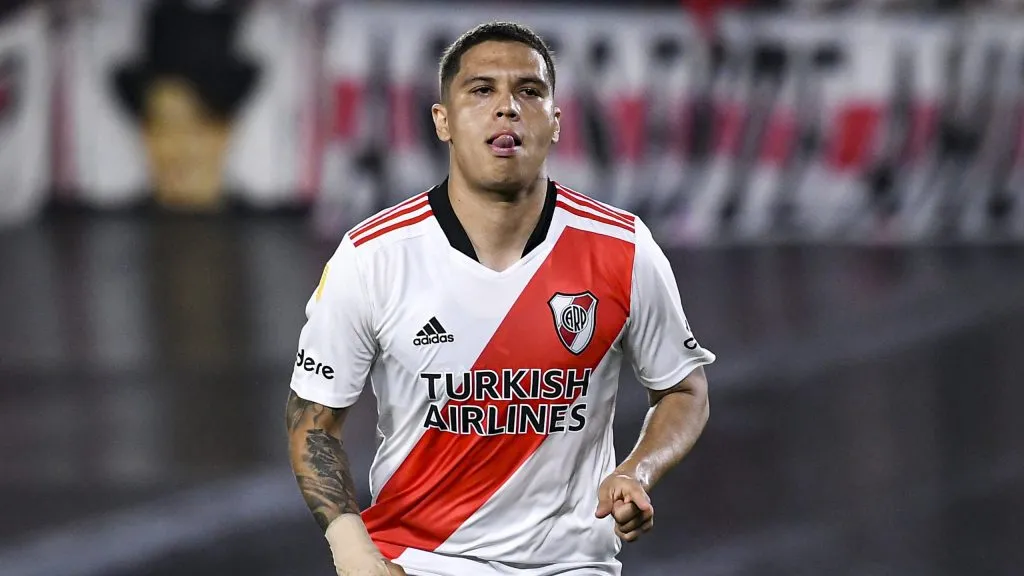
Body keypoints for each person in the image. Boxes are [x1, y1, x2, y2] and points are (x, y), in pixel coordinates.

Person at [286, 21, 715, 576]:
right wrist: (351, 549)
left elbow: (684, 387)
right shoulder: (373, 257)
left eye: (529, 92)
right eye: (481, 90)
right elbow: (312, 422)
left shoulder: (622, 249)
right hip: (418, 563)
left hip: (571, 565)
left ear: (556, 122)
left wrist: (637, 471)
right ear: (442, 120)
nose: (507, 108)